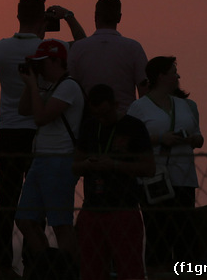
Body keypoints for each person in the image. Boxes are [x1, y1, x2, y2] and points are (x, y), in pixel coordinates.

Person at [0, 0, 84, 278]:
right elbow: (81, 46)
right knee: (41, 210)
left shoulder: (0, 49)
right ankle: (38, 263)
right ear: (43, 18)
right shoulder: (47, 51)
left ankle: (5, 264)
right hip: (35, 133)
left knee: (7, 200)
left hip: (9, 129)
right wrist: (67, 17)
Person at [126, 56, 203, 272]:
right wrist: (161, 139)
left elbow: (198, 137)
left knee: (185, 237)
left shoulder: (187, 105)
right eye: (173, 71)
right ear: (161, 76)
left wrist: (189, 139)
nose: (177, 76)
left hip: (184, 179)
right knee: (158, 236)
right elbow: (130, 142)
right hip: (154, 181)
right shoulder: (138, 107)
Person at [71, 84, 153, 280]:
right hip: (92, 209)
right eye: (96, 114)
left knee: (129, 270)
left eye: (105, 114)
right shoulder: (90, 127)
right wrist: (88, 164)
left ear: (116, 105)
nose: (102, 120)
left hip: (124, 209)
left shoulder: (134, 127)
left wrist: (115, 165)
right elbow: (75, 166)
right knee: (91, 271)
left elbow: (149, 168)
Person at [16, 39, 84, 262]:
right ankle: (48, 266)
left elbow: (41, 117)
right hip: (41, 160)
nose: (39, 68)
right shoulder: (51, 87)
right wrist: (30, 84)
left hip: (60, 161)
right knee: (25, 220)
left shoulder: (69, 86)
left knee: (60, 224)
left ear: (56, 61)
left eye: (41, 63)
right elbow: (24, 109)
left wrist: (35, 86)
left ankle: (71, 270)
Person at [67, 0, 147, 115]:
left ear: (95, 16)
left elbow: (70, 86)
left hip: (90, 119)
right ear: (119, 18)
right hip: (125, 117)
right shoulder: (133, 47)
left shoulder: (78, 48)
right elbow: (144, 89)